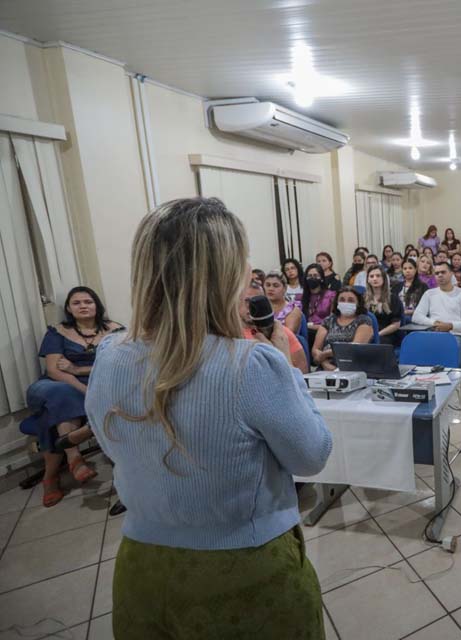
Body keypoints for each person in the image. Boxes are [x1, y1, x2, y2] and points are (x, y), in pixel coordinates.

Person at [85, 197, 331, 638]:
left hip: (143, 567)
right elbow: (311, 457)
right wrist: (288, 370)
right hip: (244, 572)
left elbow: (114, 446)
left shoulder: (109, 356)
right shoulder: (251, 364)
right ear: (225, 275)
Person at [21, 287, 123, 507]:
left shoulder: (115, 330)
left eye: (88, 301)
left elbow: (122, 363)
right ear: (68, 308)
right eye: (76, 303)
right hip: (53, 385)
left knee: (50, 415)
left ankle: (51, 477)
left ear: (97, 305)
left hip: (93, 384)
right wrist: (85, 390)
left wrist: (78, 369)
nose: (83, 306)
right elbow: (54, 370)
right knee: (62, 393)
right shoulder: (57, 332)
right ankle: (73, 456)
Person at [412, 260, 461, 364]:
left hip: (457, 335)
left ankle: (453, 374)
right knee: (416, 348)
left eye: (443, 272)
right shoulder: (429, 294)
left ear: (451, 273)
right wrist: (434, 323)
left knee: (454, 350)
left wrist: (450, 326)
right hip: (434, 334)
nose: (440, 275)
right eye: (437, 273)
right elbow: (416, 316)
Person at [242, 280, 308, 374]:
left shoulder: (280, 333)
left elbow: (302, 373)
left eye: (260, 302)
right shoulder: (230, 335)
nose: (253, 307)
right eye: (247, 301)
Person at [312, 288, 374, 370]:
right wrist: (324, 363)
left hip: (351, 368)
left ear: (358, 303)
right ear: (337, 302)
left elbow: (353, 349)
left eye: (351, 300)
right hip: (324, 368)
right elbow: (316, 350)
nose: (346, 303)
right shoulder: (328, 320)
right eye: (342, 300)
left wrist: (325, 354)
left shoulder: (364, 321)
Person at [300, 263, 338, 347]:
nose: (312, 278)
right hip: (306, 333)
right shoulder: (302, 297)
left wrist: (313, 327)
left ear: (321, 278)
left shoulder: (331, 295)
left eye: (315, 275)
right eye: (309, 276)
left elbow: (332, 323)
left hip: (324, 332)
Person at [364, 266, 402, 347]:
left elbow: (396, 325)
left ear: (384, 279)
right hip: (367, 333)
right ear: (368, 280)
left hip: (386, 335)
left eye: (378, 276)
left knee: (376, 343)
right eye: (371, 276)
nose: (375, 279)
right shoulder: (362, 298)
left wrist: (377, 335)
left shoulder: (393, 298)